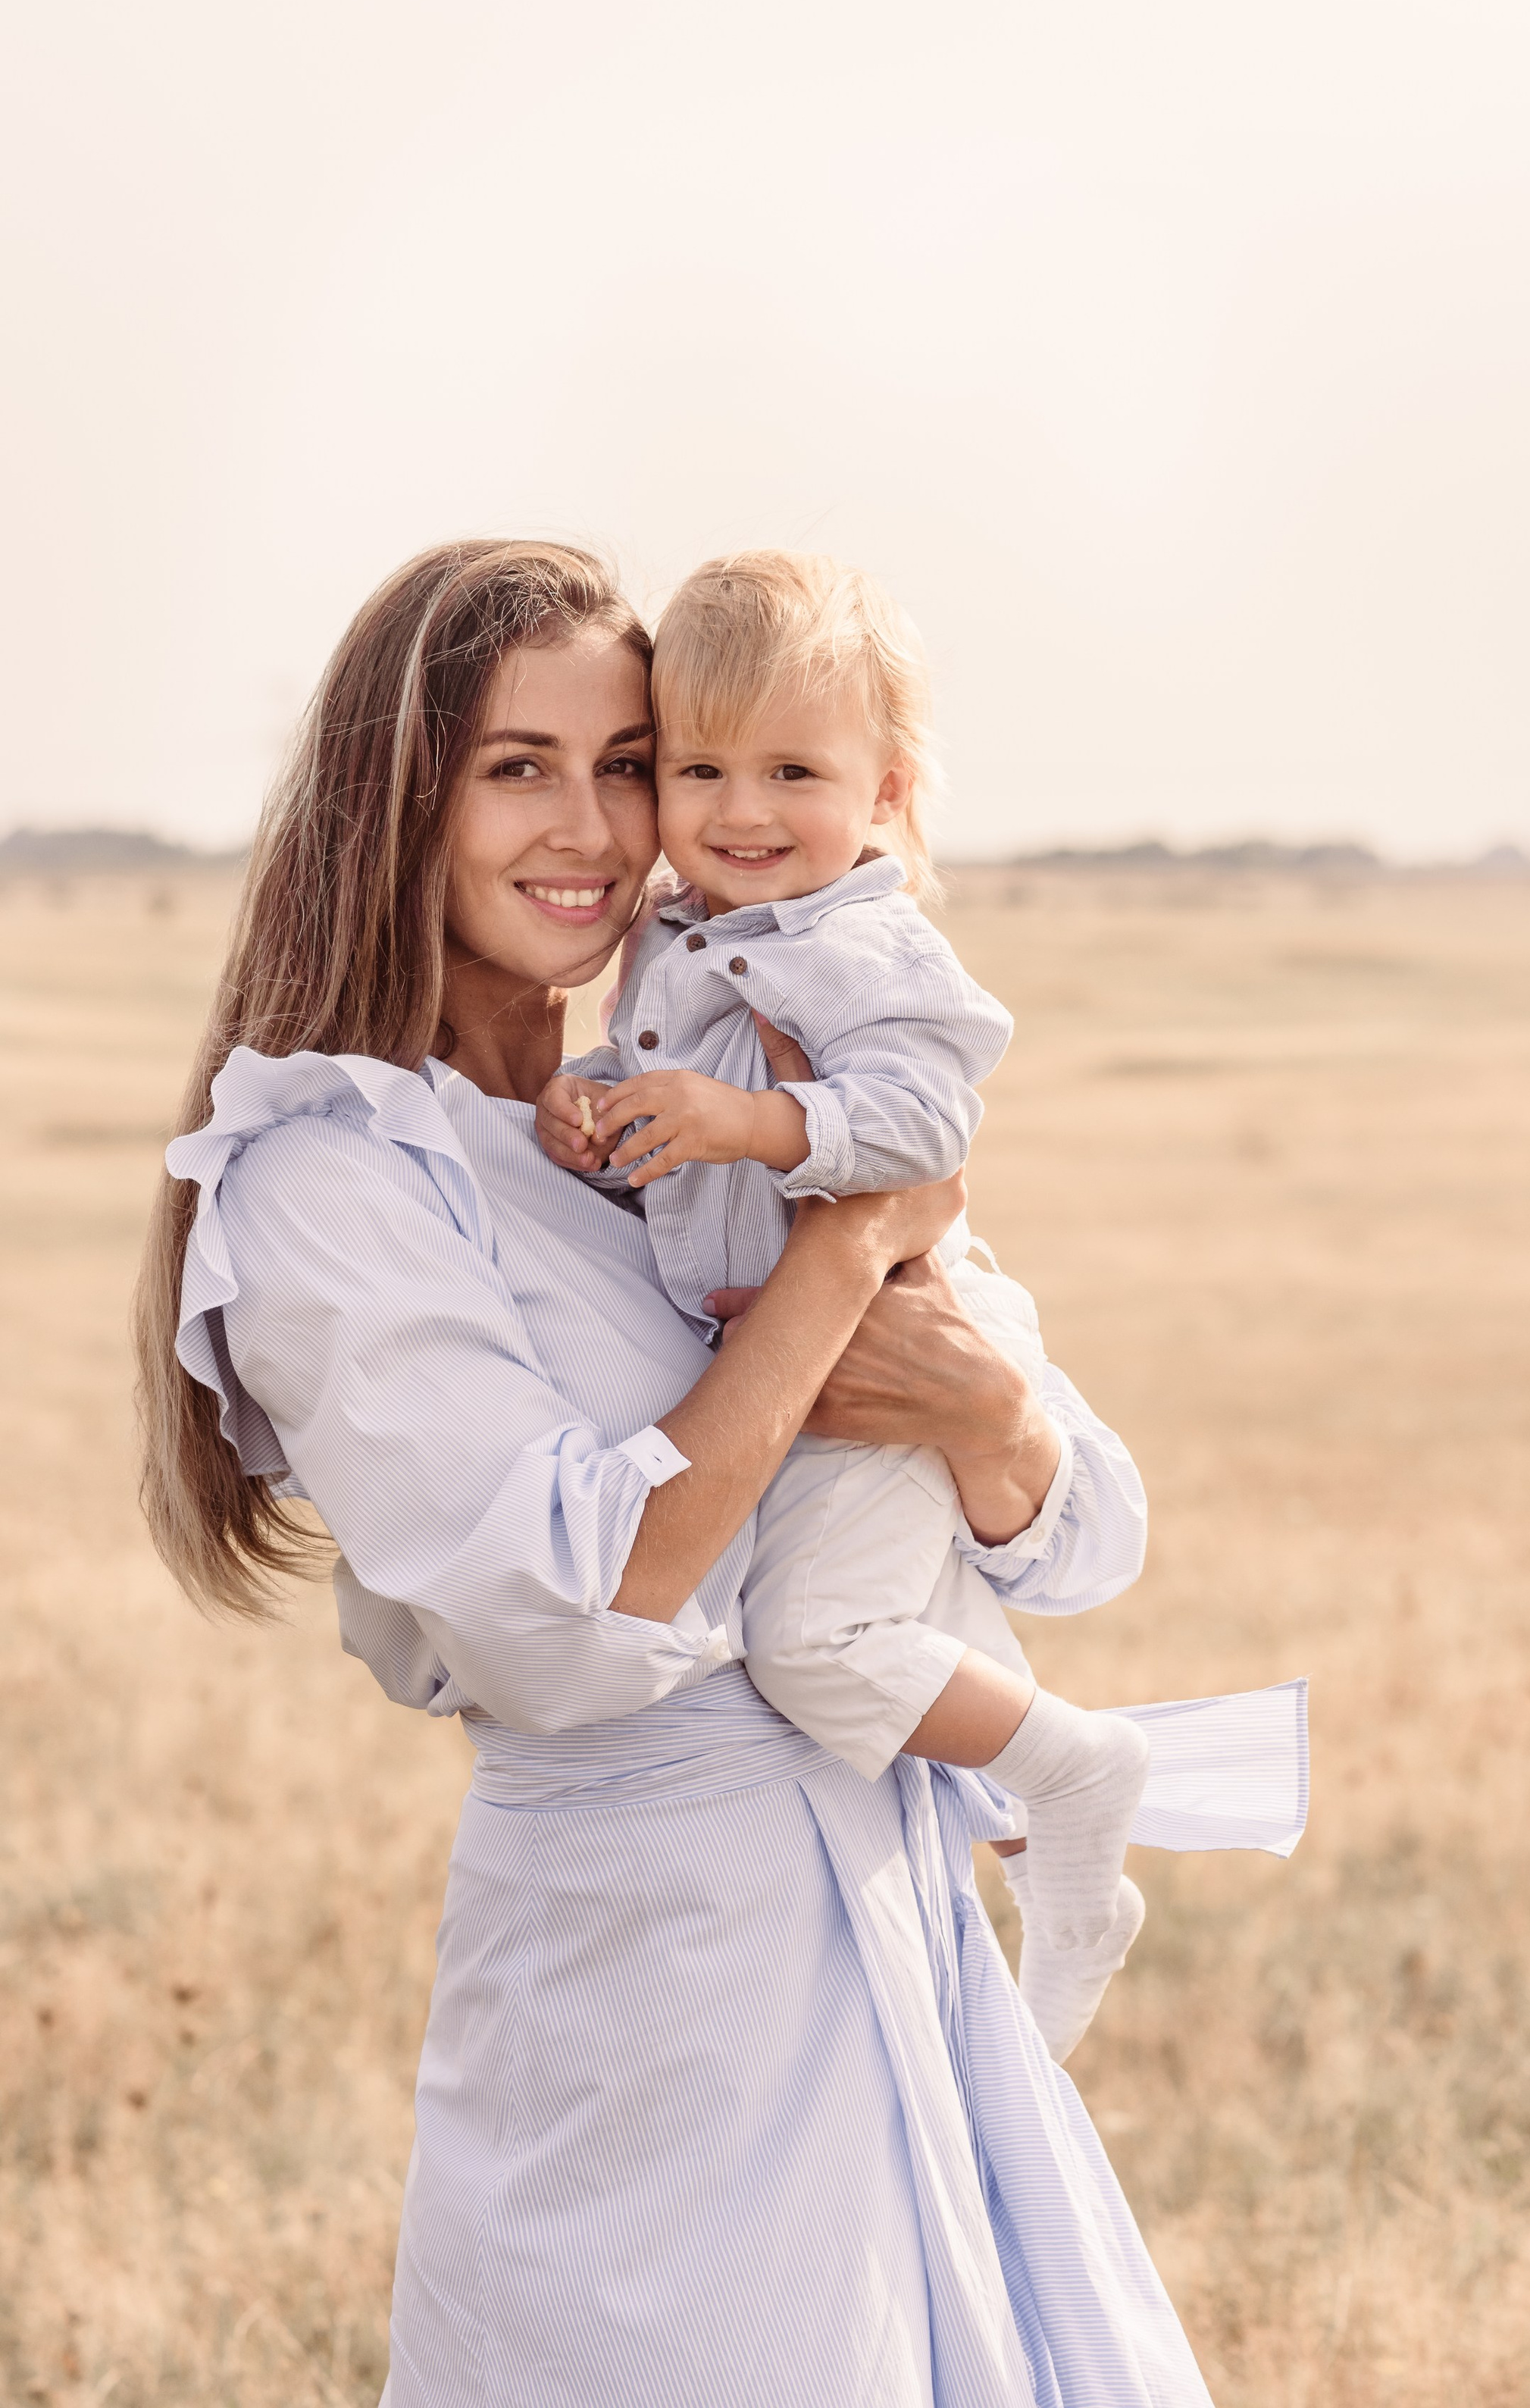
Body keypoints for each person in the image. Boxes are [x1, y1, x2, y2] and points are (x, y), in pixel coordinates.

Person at [133, 537, 1303, 2408]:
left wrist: (988, 1418)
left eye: (626, 759)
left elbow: (1080, 1535)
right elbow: (586, 1602)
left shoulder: (686, 1089)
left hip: (892, 1918)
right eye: (518, 765)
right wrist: (849, 1249)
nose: (593, 824)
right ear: (398, 791)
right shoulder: (335, 1174)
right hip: (650, 1971)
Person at [533, 549, 1145, 2060]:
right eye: (699, 768)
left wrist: (751, 1133)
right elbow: (681, 1099)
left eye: (792, 769)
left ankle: (1076, 1778)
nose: (741, 812)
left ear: (885, 790)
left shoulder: (864, 941)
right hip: (813, 1340)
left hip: (895, 1325)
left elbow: (926, 1118)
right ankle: (1052, 1887)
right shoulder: (677, 939)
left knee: (815, 1639)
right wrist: (591, 1104)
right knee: (909, 1624)